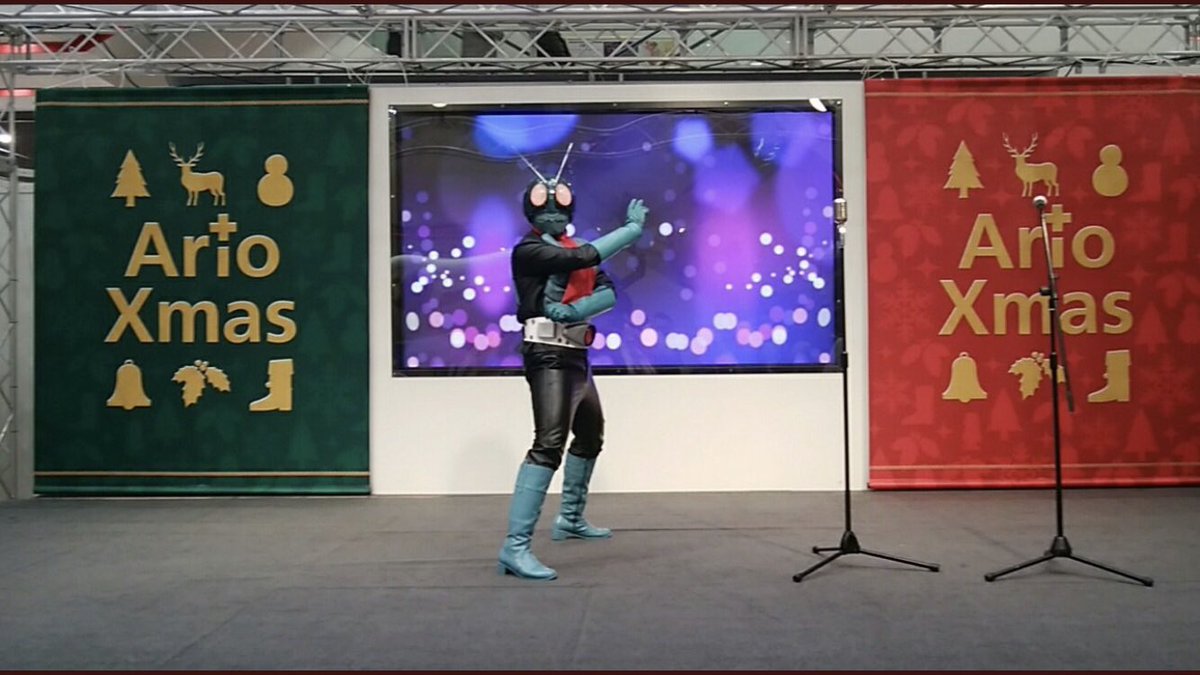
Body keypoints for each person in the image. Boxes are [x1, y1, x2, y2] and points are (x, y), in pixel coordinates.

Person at [498, 151, 648, 581]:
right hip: (548, 355)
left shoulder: (571, 249)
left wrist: (576, 309)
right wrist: (630, 232)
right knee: (548, 444)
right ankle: (515, 547)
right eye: (542, 201)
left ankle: (570, 517)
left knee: (589, 435)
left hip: (576, 354)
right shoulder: (529, 250)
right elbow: (582, 259)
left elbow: (607, 291)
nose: (551, 207)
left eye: (558, 200)